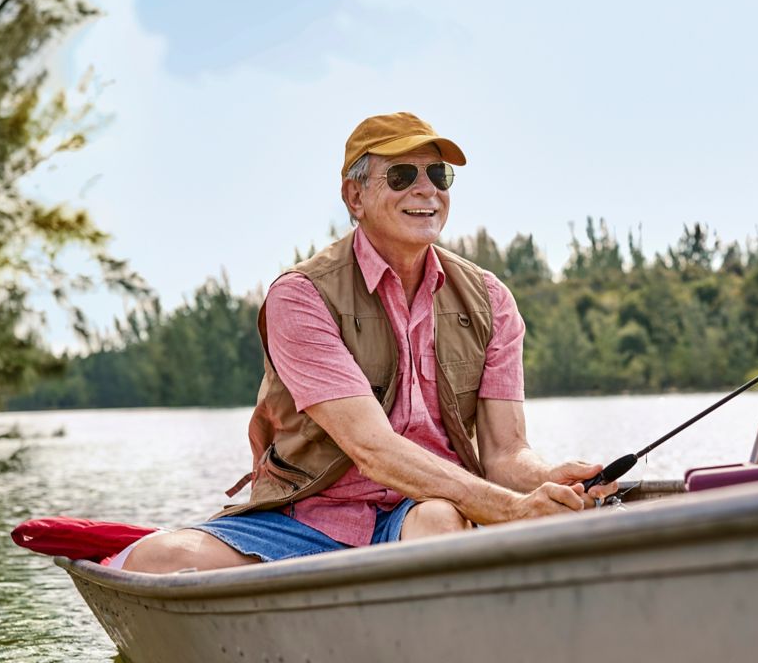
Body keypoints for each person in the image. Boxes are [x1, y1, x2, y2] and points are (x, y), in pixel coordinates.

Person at [123, 112, 616, 573]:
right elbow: (373, 449)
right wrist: (512, 509)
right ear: (354, 197)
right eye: (402, 176)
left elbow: (506, 454)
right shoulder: (299, 296)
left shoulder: (492, 299)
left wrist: (552, 480)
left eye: (438, 176)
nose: (426, 190)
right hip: (308, 519)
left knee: (440, 520)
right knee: (154, 558)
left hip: (434, 512)